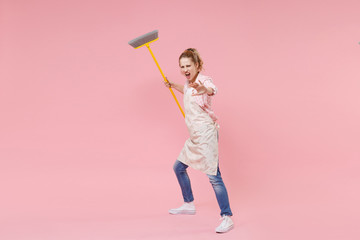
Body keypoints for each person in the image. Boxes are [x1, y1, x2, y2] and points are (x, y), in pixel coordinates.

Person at [164, 48, 234, 233]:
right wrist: (173, 85)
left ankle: (226, 217)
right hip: (195, 136)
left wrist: (205, 89)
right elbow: (186, 90)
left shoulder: (203, 80)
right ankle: (188, 204)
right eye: (182, 66)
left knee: (213, 177)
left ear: (196, 65)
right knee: (178, 168)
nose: (185, 69)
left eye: (188, 65)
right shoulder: (188, 83)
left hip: (206, 134)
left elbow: (212, 89)